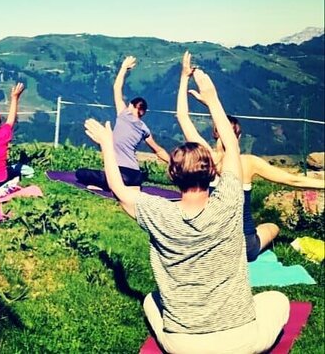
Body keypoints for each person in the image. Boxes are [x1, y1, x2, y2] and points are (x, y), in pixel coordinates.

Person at [84, 67, 289, 354]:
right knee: (278, 300)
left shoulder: (157, 212)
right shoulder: (230, 200)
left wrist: (108, 145)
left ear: (172, 175)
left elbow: (119, 189)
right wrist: (212, 99)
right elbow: (231, 147)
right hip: (241, 340)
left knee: (150, 300)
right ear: (212, 173)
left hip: (183, 344)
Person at [177, 51, 324, 261]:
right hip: (243, 246)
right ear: (238, 137)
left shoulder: (206, 157)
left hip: (212, 243)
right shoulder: (249, 163)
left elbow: (183, 117)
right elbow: (293, 180)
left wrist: (184, 77)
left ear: (215, 134)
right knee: (272, 227)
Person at [76, 55, 169, 190]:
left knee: (81, 173)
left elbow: (117, 88)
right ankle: (116, 185)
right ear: (143, 112)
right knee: (111, 177)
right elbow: (158, 150)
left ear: (131, 105)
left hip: (120, 174)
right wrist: (176, 164)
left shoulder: (124, 114)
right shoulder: (145, 129)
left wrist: (124, 67)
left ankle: (106, 186)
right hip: (136, 176)